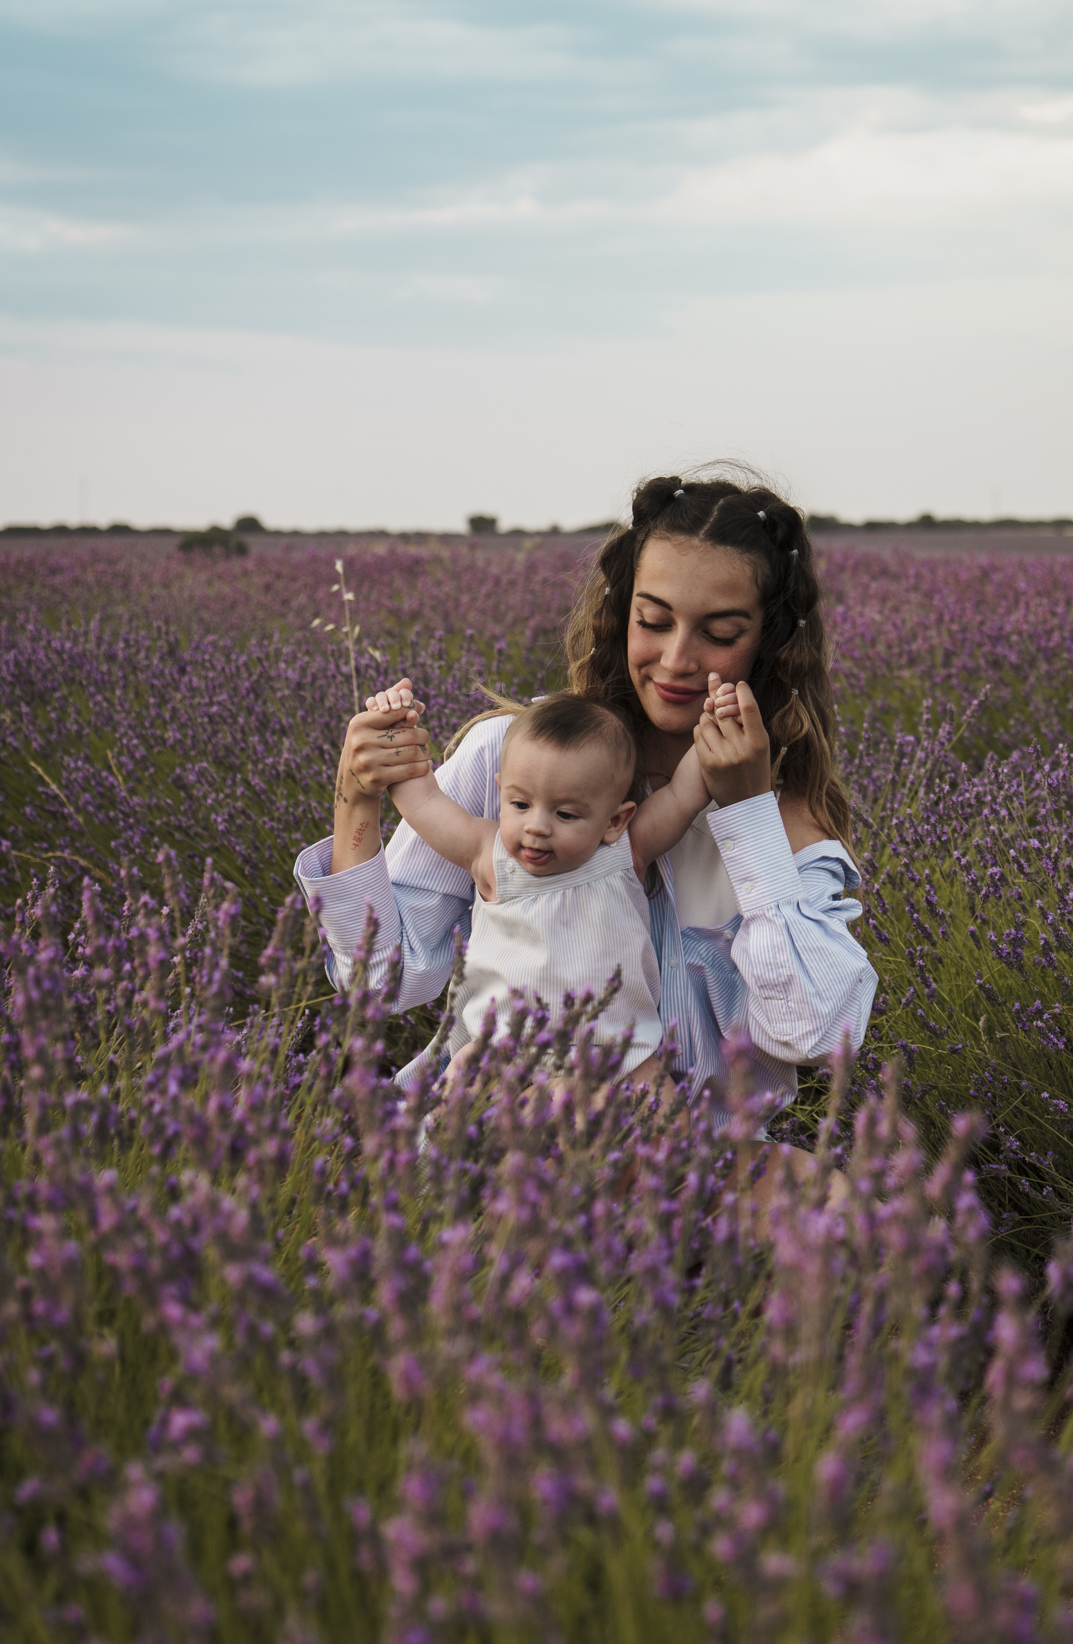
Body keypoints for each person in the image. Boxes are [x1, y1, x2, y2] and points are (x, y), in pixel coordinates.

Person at [295, 472, 877, 1144]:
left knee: (840, 1200)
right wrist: (356, 799)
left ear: (769, 643)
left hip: (687, 1164)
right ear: (621, 614)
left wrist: (747, 813)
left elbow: (818, 1038)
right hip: (498, 1131)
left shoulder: (784, 824)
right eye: (652, 621)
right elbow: (380, 983)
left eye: (719, 633)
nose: (676, 659)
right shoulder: (515, 761)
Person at [377, 681, 742, 1085]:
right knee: (460, 1085)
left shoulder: (623, 854)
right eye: (520, 804)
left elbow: (682, 795)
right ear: (500, 793)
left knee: (664, 1101)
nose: (536, 827)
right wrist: (394, 731)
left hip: (617, 1056)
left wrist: (716, 721)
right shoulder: (490, 857)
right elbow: (425, 802)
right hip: (504, 1051)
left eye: (565, 814)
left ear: (615, 821)